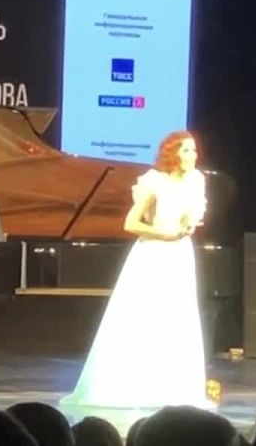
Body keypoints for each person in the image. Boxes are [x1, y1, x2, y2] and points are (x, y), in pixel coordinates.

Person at [61, 131, 215, 409]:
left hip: (180, 254)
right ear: (173, 154)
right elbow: (130, 223)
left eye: (194, 150)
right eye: (186, 150)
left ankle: (172, 389)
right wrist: (163, 234)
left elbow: (193, 216)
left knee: (176, 319)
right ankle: (133, 386)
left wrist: (188, 227)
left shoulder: (196, 181)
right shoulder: (155, 182)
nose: (193, 155)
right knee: (143, 317)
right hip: (154, 253)